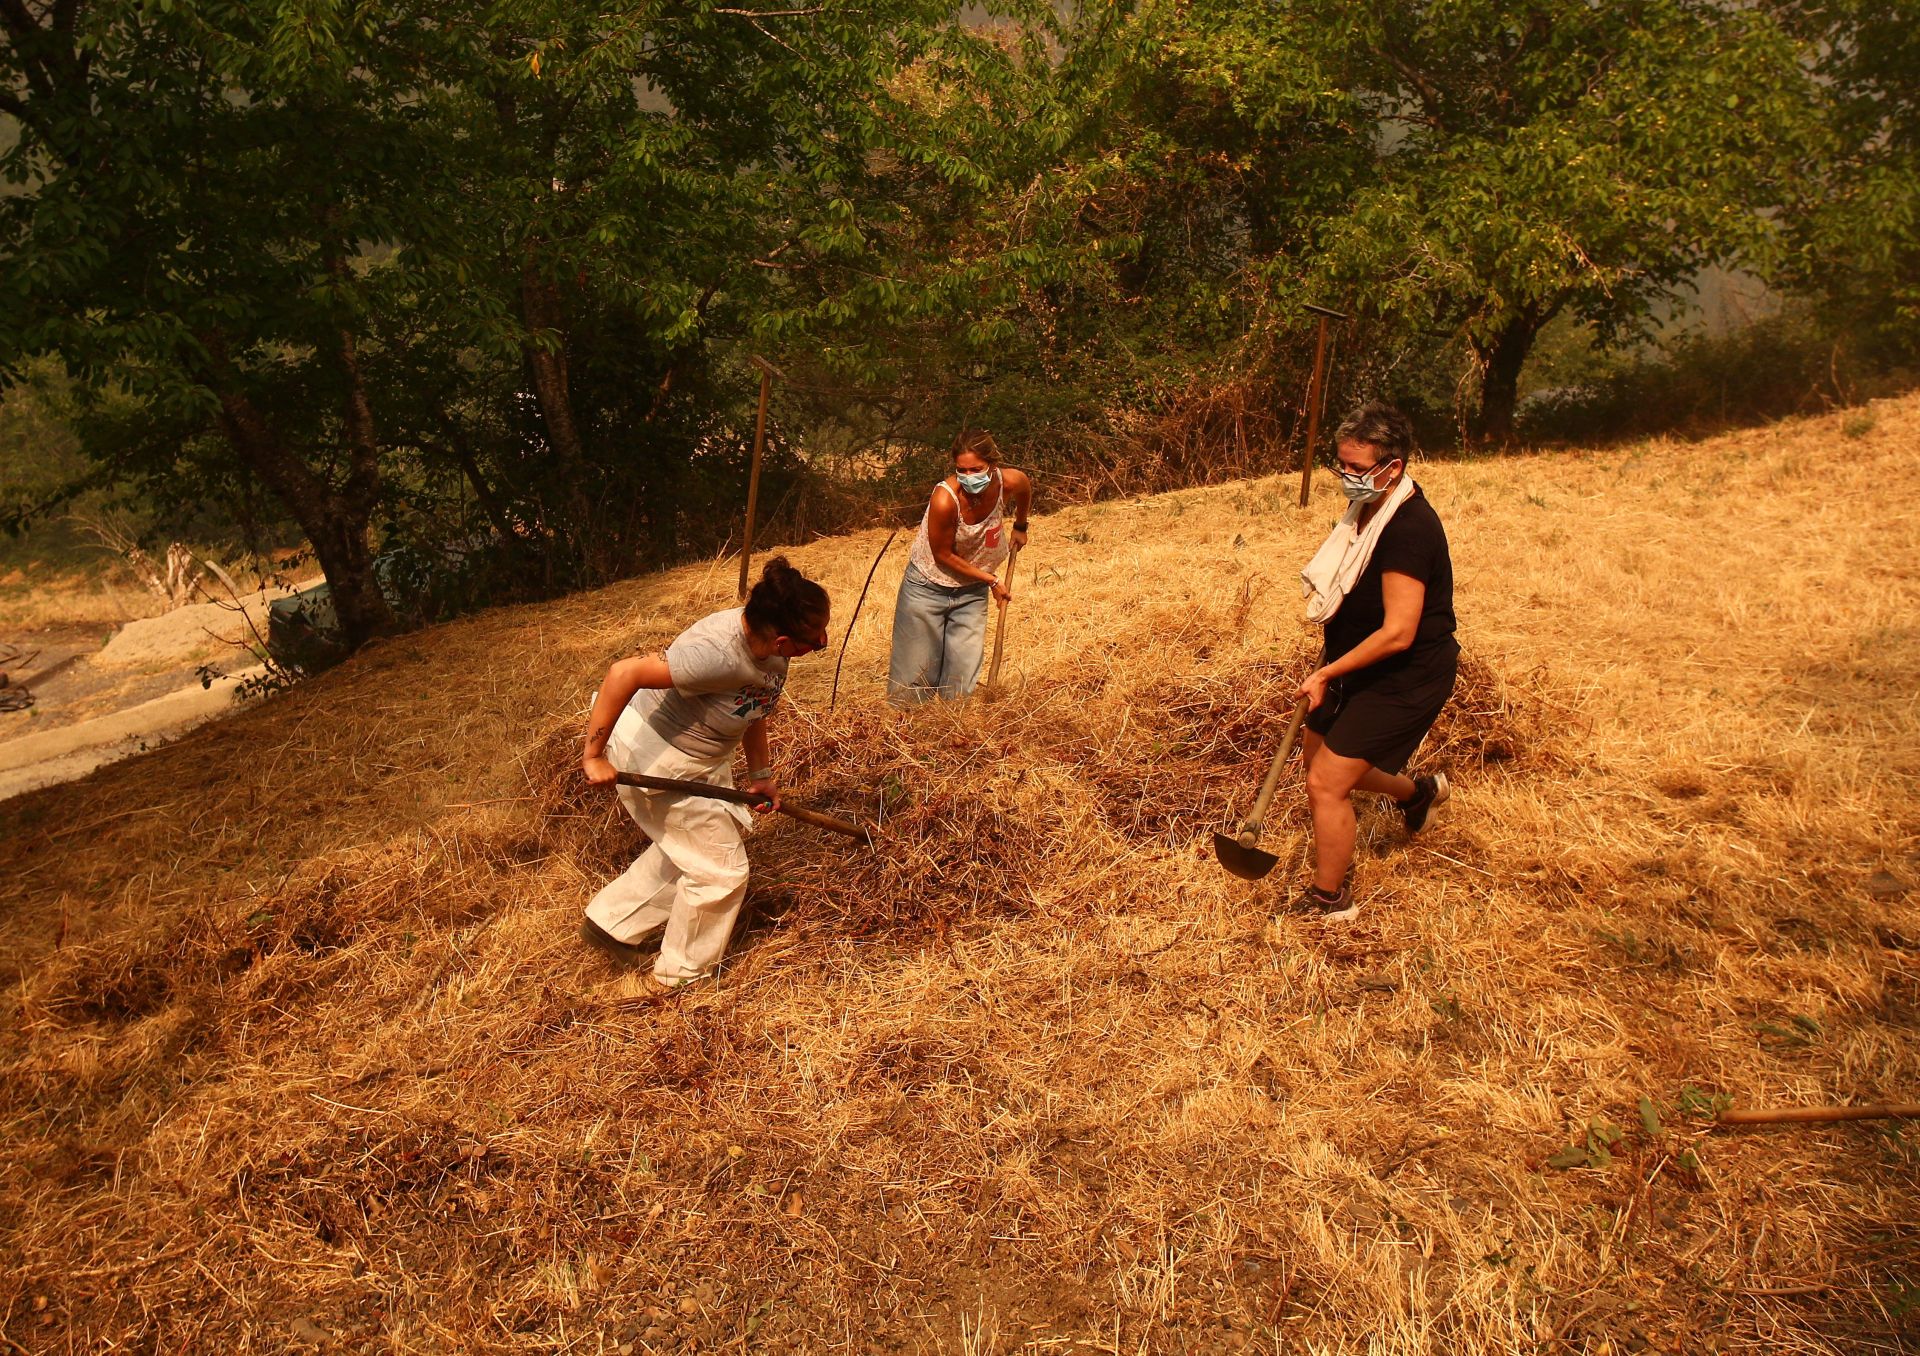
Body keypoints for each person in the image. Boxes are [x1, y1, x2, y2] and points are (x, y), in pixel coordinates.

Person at [579, 557, 831, 993]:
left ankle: (611, 922)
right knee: (722, 872)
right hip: (655, 759)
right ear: (786, 639)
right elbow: (625, 673)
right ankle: (679, 980)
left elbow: (753, 707)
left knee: (696, 848)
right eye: (817, 642)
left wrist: (761, 774)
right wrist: (593, 755)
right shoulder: (716, 656)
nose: (823, 641)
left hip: (699, 757)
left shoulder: (768, 647)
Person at [1292, 401, 1457, 922]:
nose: (1347, 477)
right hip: (1351, 662)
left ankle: (1330, 899)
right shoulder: (1365, 509)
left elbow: (1398, 632)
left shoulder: (1409, 529)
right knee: (1317, 765)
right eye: (1342, 465)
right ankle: (1417, 793)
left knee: (1327, 782)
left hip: (1405, 674)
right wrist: (1331, 662)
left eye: (1359, 469)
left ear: (1394, 467)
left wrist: (1325, 672)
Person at [888, 429, 1034, 704]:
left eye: (976, 469)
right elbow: (943, 555)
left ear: (992, 464)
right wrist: (991, 580)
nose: (969, 477)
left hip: (971, 590)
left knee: (961, 679)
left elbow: (1025, 487)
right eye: (962, 470)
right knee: (915, 678)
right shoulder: (945, 499)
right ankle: (908, 737)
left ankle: (950, 735)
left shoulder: (1008, 481)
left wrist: (1020, 525)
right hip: (927, 588)